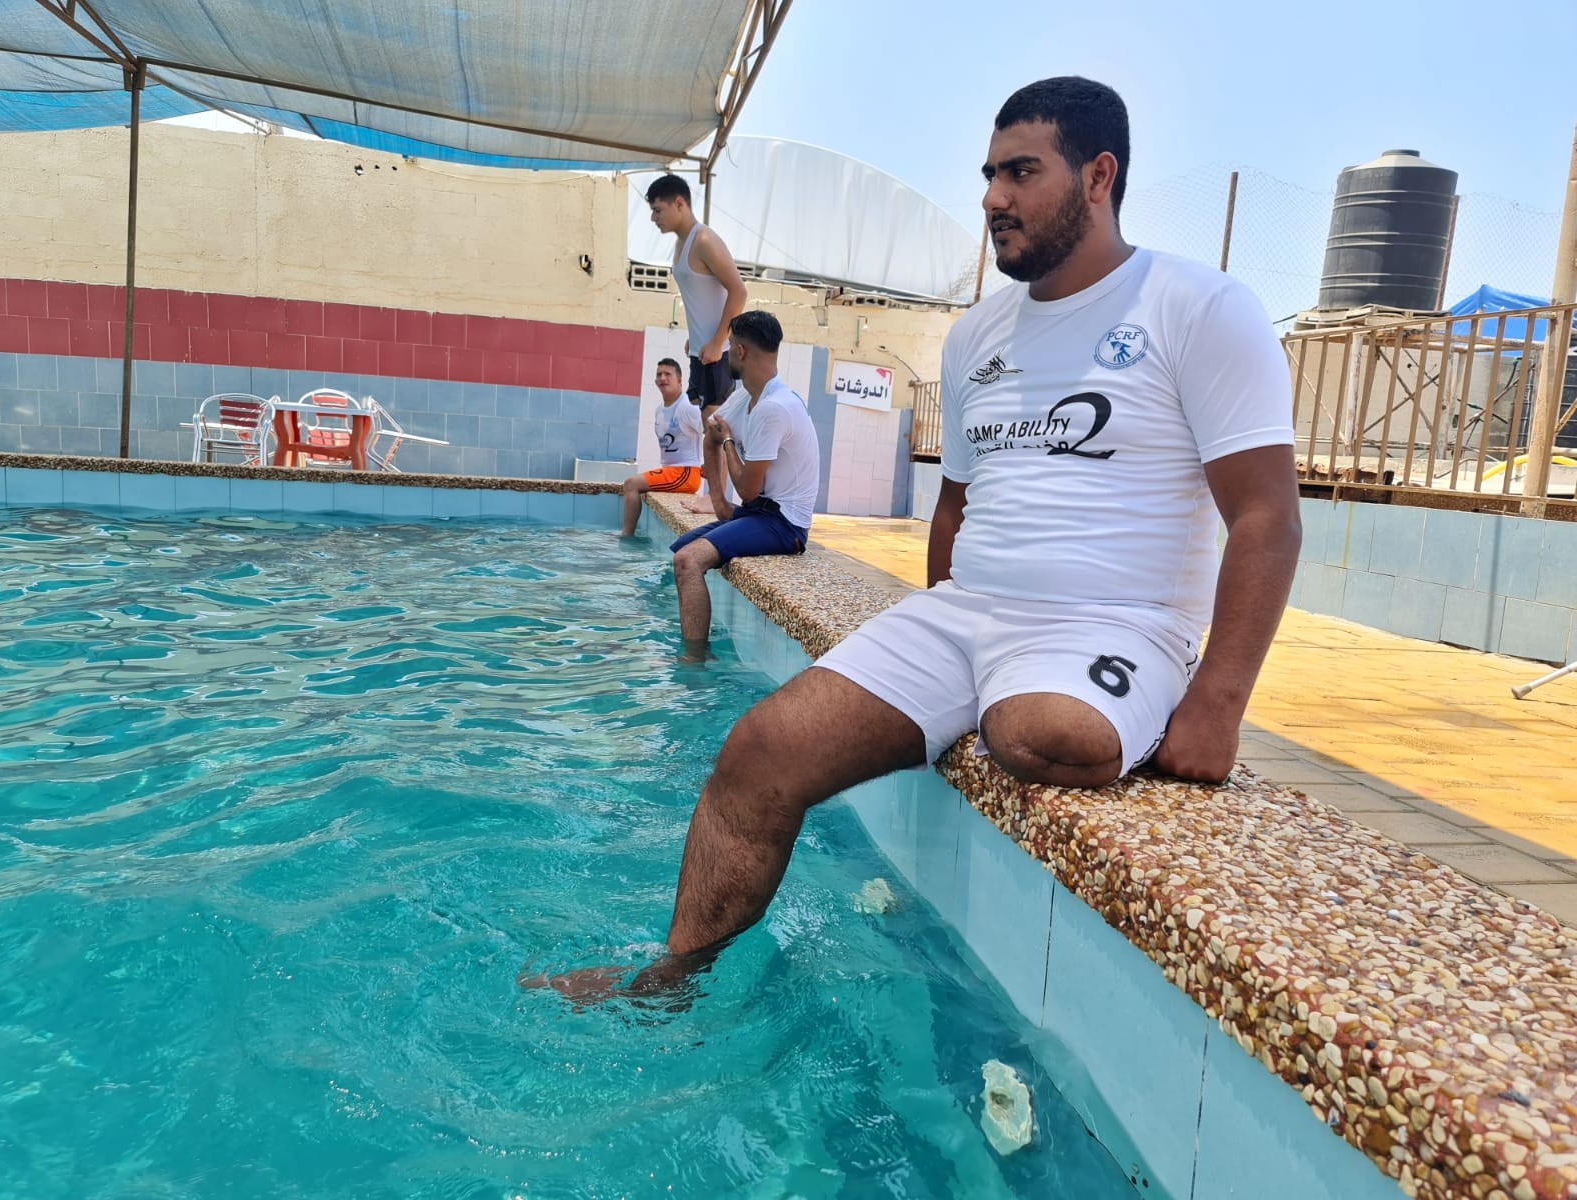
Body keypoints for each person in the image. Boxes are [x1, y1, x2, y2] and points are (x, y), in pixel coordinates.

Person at [549, 76, 1301, 1002]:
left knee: (1040, 733)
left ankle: (1100, 694)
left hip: (1117, 621)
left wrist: (1218, 705)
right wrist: (931, 636)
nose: (993, 199)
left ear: (1099, 176)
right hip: (968, 614)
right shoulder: (977, 334)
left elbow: (1266, 516)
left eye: (1021, 173)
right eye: (988, 176)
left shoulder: (1199, 307)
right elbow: (953, 509)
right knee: (758, 752)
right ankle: (669, 978)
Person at [667, 310, 819, 662]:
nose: (725, 354)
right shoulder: (745, 398)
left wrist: (729, 443)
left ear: (740, 351)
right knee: (680, 551)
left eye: (729, 345)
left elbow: (748, 489)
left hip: (785, 525)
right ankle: (700, 636)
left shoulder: (774, 407)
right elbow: (710, 434)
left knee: (689, 562)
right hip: (757, 514)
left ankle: (695, 661)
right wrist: (718, 501)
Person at [645, 173, 747, 420]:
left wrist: (717, 342)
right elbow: (703, 295)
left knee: (716, 428)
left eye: (658, 210)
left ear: (679, 203)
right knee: (703, 426)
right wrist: (698, 337)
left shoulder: (704, 240)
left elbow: (739, 292)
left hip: (719, 353)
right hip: (699, 351)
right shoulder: (681, 244)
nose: (653, 218)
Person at [619, 358, 704, 538]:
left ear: (679, 380)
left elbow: (711, 432)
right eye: (659, 374)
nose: (662, 378)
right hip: (672, 471)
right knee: (634, 483)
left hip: (686, 473)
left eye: (668, 374)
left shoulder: (688, 407)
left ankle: (626, 535)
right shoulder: (659, 410)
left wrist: (709, 468)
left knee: (631, 484)